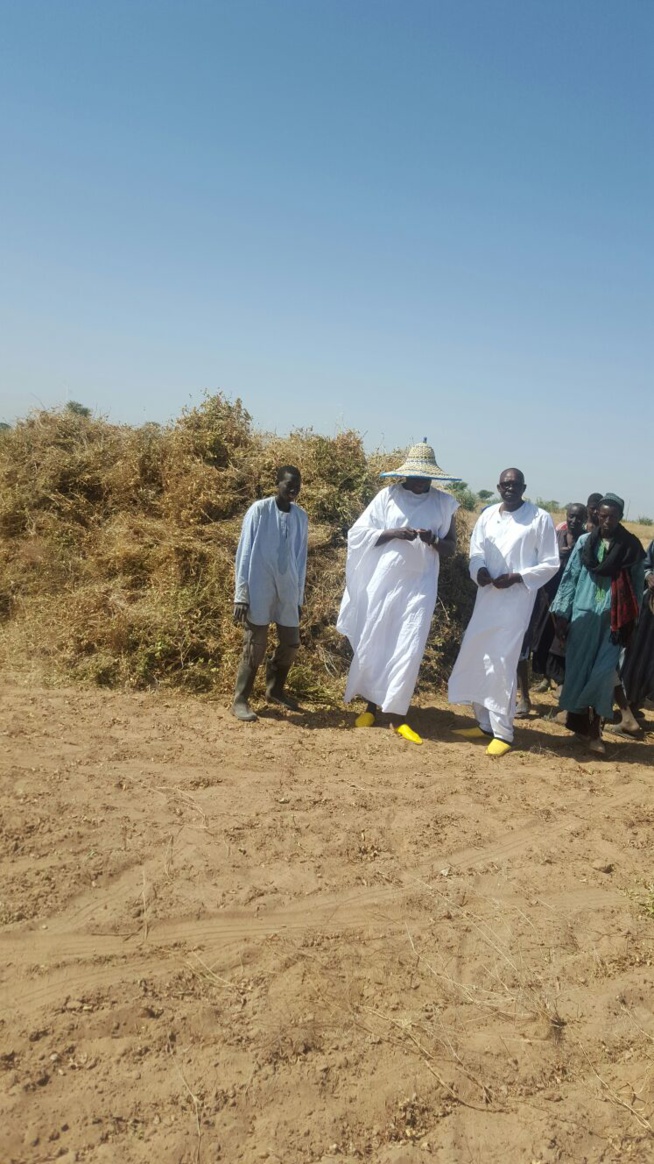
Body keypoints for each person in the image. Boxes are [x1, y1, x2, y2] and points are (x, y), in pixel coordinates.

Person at [337, 440, 460, 744]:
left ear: (433, 477)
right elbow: (358, 535)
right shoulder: (387, 497)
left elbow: (451, 548)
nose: (419, 482)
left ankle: (398, 716)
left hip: (420, 585)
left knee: (408, 645)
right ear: (405, 474)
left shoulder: (445, 504)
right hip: (386, 581)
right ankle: (370, 706)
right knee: (376, 640)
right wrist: (393, 532)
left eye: (425, 477)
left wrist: (432, 540)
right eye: (414, 476)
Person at [448, 468, 560, 756]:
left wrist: (518, 576)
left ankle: (504, 732)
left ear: (524, 487)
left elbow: (550, 563)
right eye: (505, 484)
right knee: (477, 654)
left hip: (515, 602)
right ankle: (484, 724)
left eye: (515, 484)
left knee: (502, 662)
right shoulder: (488, 515)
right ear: (498, 487)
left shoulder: (539, 518)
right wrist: (480, 571)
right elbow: (476, 552)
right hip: (486, 598)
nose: (510, 488)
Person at [550, 494, 645, 754]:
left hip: (613, 623)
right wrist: (561, 615)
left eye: (612, 516)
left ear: (620, 517)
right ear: (597, 516)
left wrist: (631, 621)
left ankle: (595, 733)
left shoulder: (631, 547)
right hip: (583, 617)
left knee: (603, 675)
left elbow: (637, 586)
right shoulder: (584, 543)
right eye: (602, 516)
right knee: (579, 672)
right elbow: (570, 579)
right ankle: (582, 727)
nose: (606, 521)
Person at [231, 466, 309, 722]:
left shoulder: (300, 517)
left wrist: (298, 598)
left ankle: (274, 690)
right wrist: (241, 594)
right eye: (288, 484)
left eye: (297, 485)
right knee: (255, 645)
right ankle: (240, 700)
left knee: (291, 642)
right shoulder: (259, 510)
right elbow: (244, 552)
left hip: (287, 589)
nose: (293, 489)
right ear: (277, 483)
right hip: (259, 586)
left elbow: (301, 558)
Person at [525, 502, 588, 701]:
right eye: (571, 516)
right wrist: (556, 558)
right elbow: (539, 560)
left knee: (561, 639)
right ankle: (545, 678)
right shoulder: (555, 538)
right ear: (566, 515)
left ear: (585, 520)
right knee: (542, 636)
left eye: (579, 518)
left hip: (571, 600)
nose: (574, 521)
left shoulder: (586, 542)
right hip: (548, 595)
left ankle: (561, 680)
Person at [615, 538, 654, 729]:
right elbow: (646, 564)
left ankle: (636, 704)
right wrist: (648, 576)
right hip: (649, 608)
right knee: (633, 654)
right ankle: (626, 708)